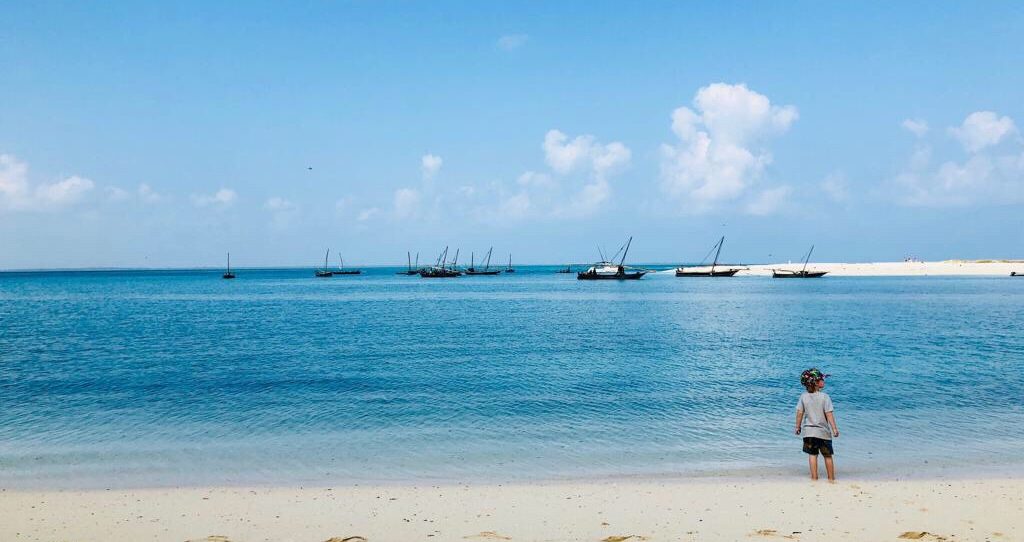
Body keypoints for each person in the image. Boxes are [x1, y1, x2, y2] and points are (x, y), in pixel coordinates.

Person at [794, 368, 839, 481]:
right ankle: (831, 478)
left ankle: (814, 478)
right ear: (816, 383)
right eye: (822, 379)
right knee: (827, 456)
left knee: (812, 455)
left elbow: (799, 412)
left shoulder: (803, 396)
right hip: (823, 433)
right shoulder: (825, 397)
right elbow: (829, 414)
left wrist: (798, 426)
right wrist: (834, 429)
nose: (824, 381)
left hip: (809, 433)